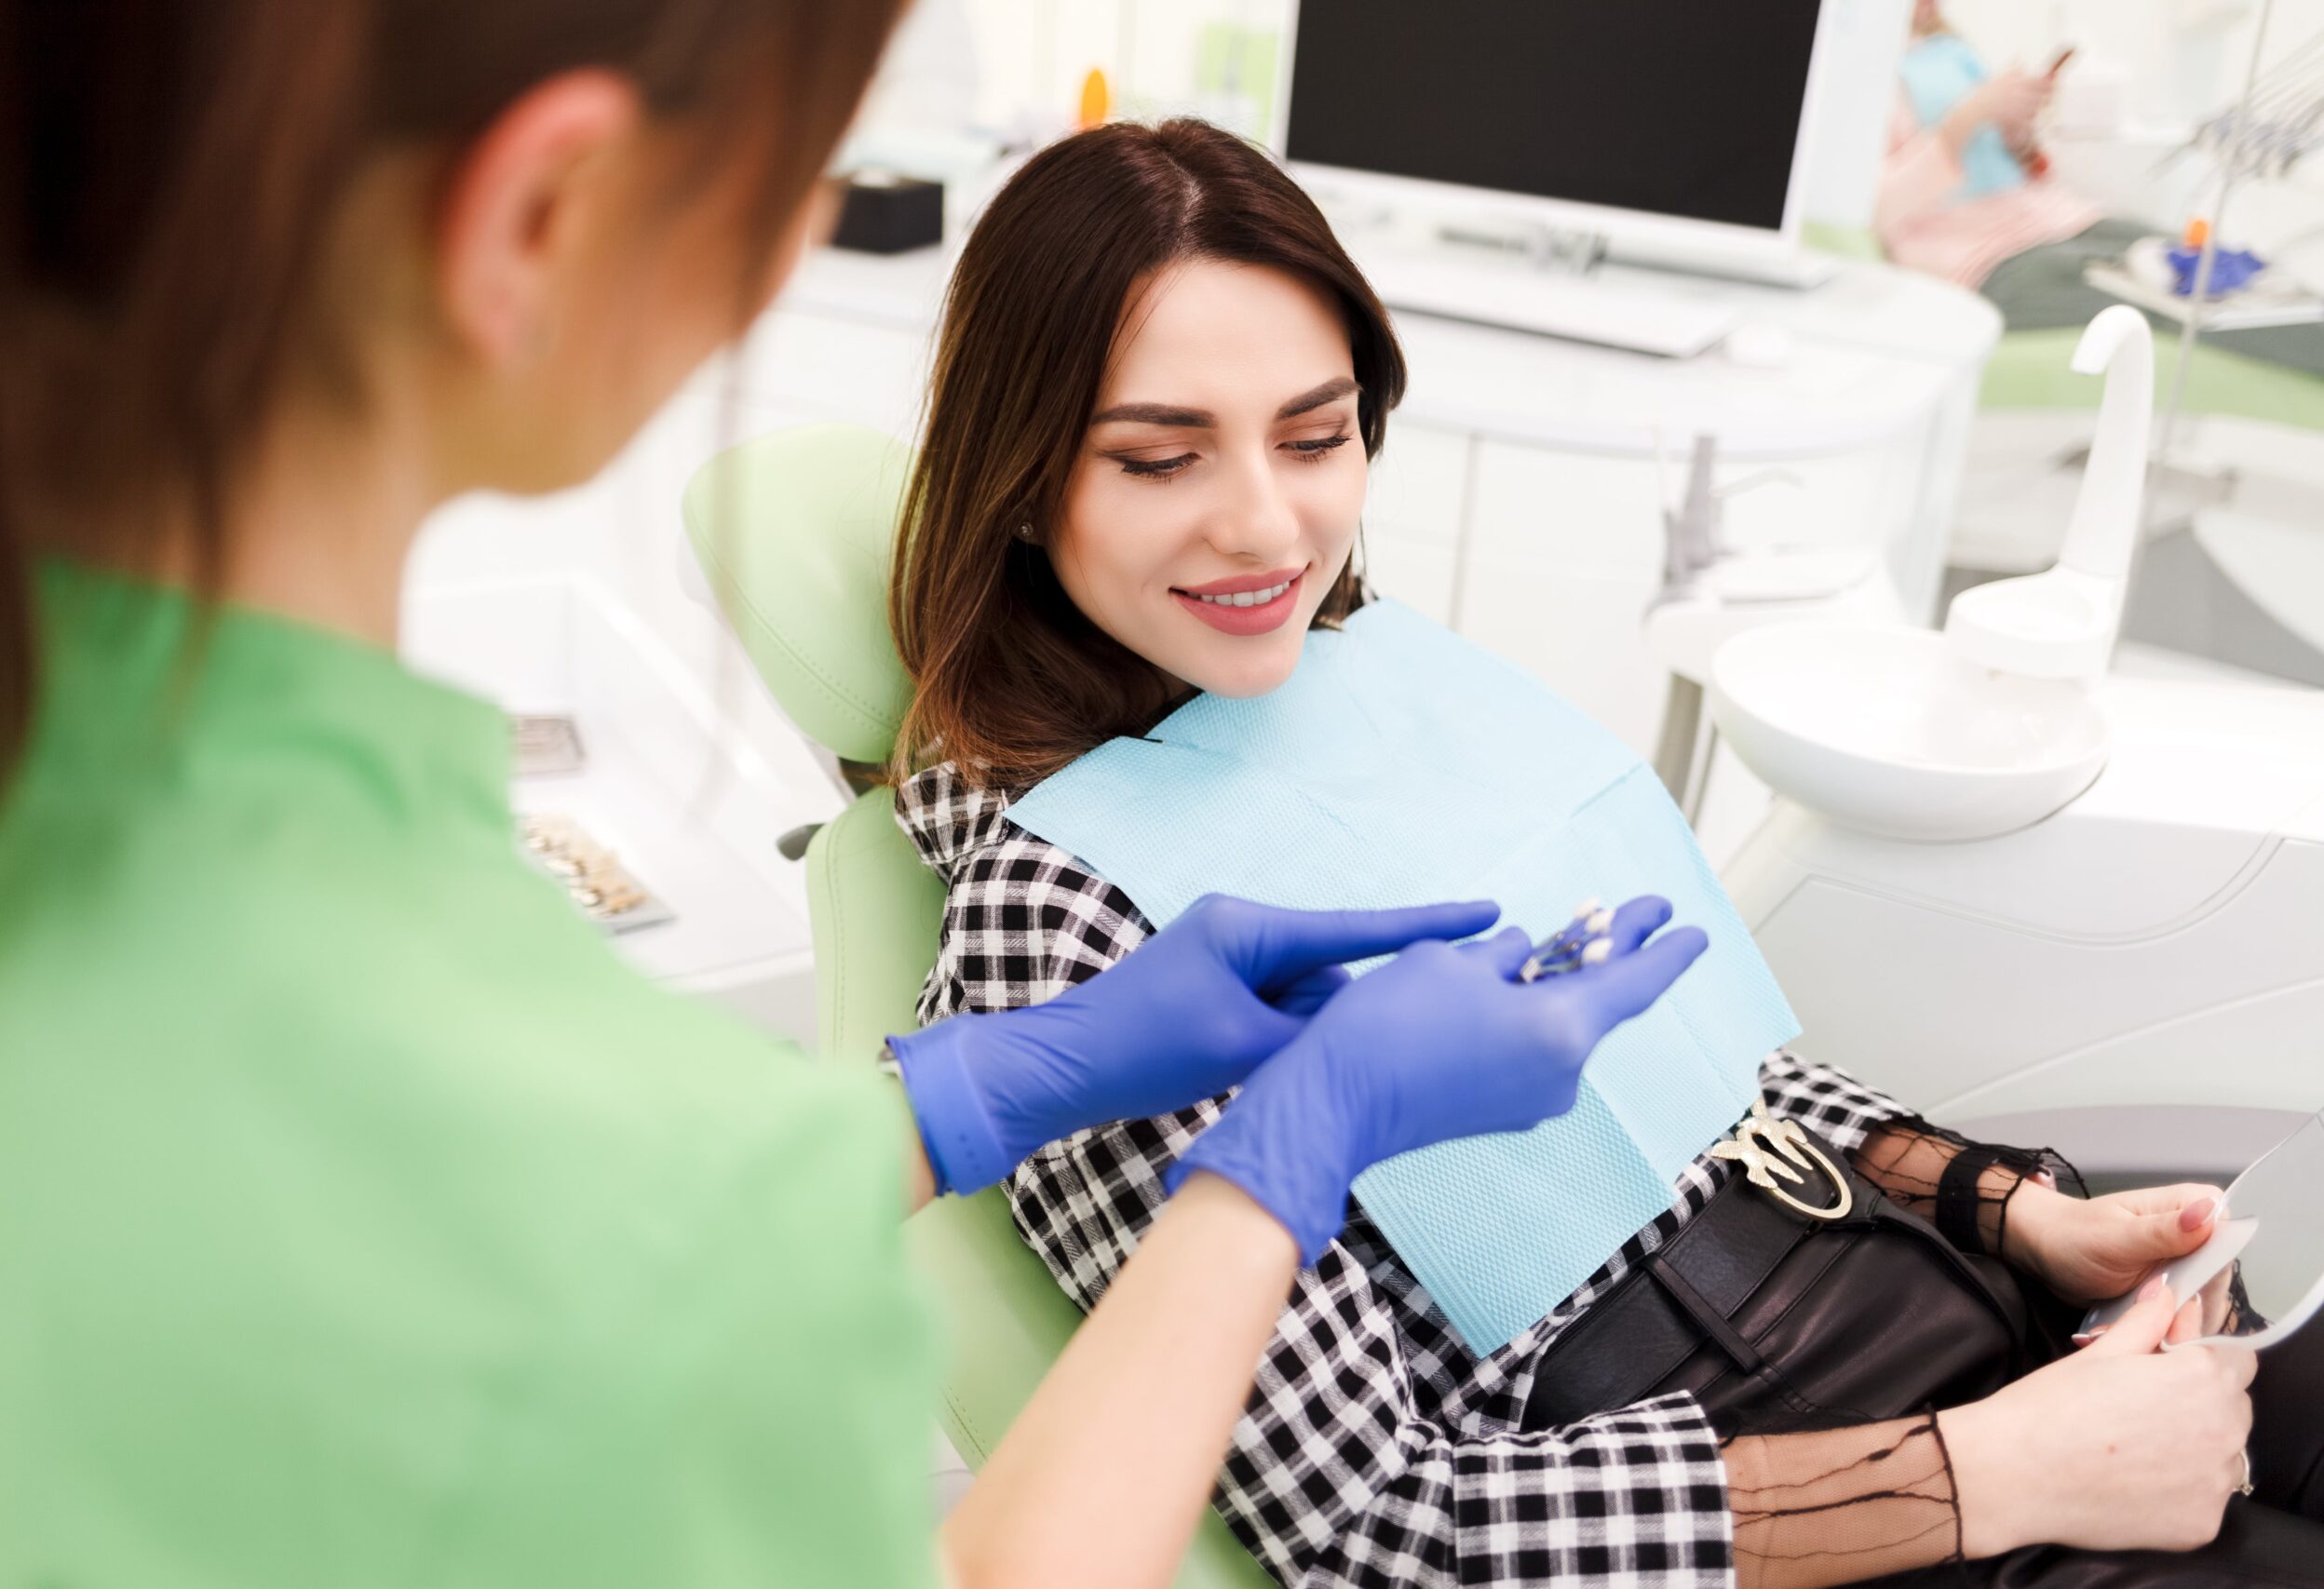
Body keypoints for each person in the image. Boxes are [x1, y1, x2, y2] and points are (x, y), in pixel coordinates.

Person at [0, 7, 1709, 1585]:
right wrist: (1275, 1166)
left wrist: (949, 1103)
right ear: (543, 212)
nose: (1263, 520)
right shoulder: (643, 1191)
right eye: (810, 171)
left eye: (1318, 436)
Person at [888, 116, 2324, 1588]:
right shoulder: (1059, 917)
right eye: (1157, 458)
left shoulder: (1382, 676)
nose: (1266, 524)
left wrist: (2015, 1209)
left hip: (1950, 1300)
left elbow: (1704, 1054)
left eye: (1315, 436)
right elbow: (1377, 1527)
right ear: (1019, 477)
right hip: (1760, 1481)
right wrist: (1997, 1473)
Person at [1884, 1, 2324, 375]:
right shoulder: (1866, 82)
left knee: (2219, 265)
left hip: (2063, 220)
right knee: (2166, 300)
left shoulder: (1950, 53)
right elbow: (1875, 210)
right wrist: (1964, 121)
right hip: (1989, 262)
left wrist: (2016, 131)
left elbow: (2017, 167)